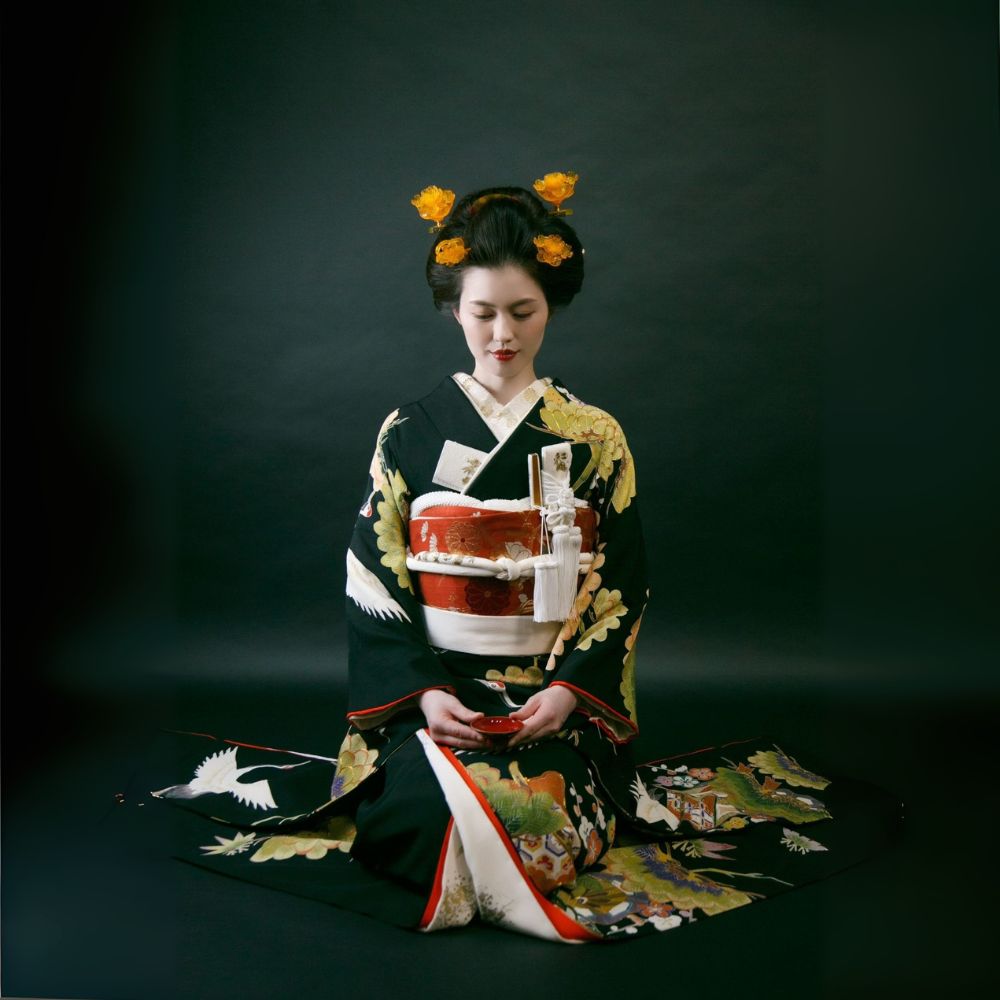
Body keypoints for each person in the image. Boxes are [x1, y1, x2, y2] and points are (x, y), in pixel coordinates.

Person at [149, 173, 900, 942]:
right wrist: (424, 696)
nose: (502, 334)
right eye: (483, 313)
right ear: (455, 309)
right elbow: (375, 577)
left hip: (550, 706)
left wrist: (570, 694)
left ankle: (545, 775)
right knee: (422, 821)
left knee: (536, 822)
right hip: (437, 702)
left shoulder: (594, 436)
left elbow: (620, 584)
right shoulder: (408, 431)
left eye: (523, 311)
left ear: (551, 307)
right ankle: (431, 769)